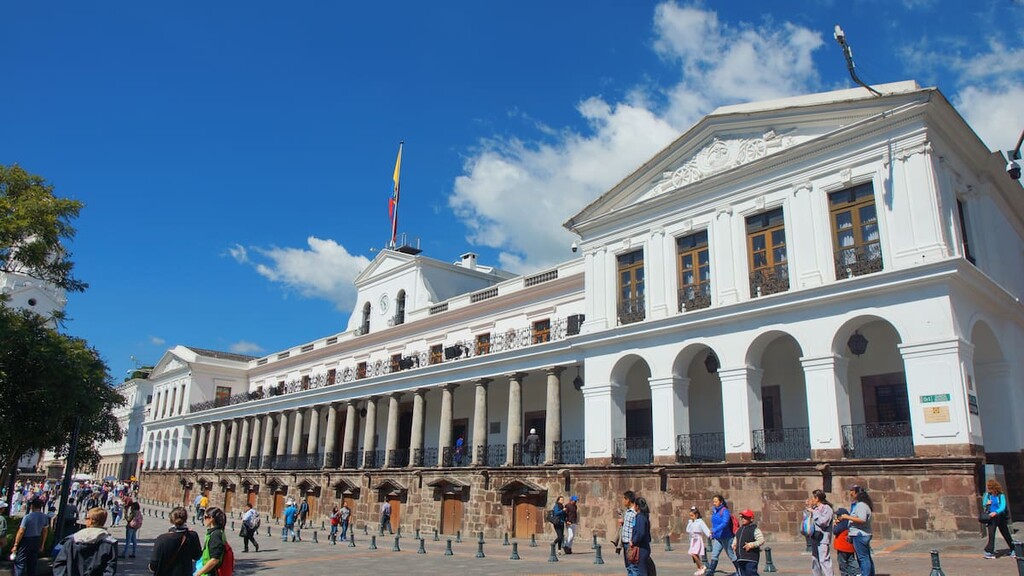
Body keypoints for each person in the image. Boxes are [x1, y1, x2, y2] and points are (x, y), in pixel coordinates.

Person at [52, 507, 118, 576]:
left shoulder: (71, 540)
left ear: (89, 521)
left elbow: (59, 564)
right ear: (104, 521)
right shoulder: (110, 544)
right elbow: (110, 569)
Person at [149, 506, 202, 576]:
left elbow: (153, 565)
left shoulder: (162, 539)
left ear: (171, 519)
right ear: (185, 519)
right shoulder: (193, 536)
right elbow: (197, 556)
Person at [838, 485, 874, 576]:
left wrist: (847, 517)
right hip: (860, 534)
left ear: (857, 493)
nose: (850, 494)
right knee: (865, 557)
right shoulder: (861, 505)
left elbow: (862, 519)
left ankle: (866, 574)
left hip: (860, 534)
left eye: (852, 491)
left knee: (863, 558)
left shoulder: (861, 505)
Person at [11, 498, 49, 576]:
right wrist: (42, 544)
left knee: (20, 563)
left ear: (32, 506)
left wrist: (15, 544)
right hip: (37, 539)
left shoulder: (28, 517)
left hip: (26, 540)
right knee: (32, 563)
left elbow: (21, 531)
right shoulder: (44, 517)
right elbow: (45, 531)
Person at [981, 478, 1015, 559]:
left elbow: (1002, 506)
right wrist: (986, 503)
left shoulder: (1001, 495)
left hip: (1000, 517)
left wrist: (996, 512)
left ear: (994, 488)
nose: (989, 489)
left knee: (1005, 533)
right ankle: (989, 551)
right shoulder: (987, 495)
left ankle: (1013, 548)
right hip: (991, 518)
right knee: (991, 534)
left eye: (990, 488)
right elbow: (983, 504)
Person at [706, 495, 737, 575]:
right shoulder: (715, 511)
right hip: (718, 537)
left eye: (716, 501)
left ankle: (740, 570)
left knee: (731, 555)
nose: (714, 503)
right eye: (713, 501)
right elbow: (714, 523)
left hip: (726, 537)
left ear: (721, 502)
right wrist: (714, 533)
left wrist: (715, 530)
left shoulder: (725, 511)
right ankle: (711, 571)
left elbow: (725, 523)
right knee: (714, 554)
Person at [807, 489, 834, 576]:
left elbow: (823, 522)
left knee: (824, 560)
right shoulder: (815, 508)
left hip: (823, 538)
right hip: (814, 537)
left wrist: (814, 512)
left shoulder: (827, 508)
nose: (812, 499)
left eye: (813, 498)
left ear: (817, 498)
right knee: (815, 559)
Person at [195, 506, 229, 576]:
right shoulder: (217, 532)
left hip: (210, 573)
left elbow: (214, 560)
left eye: (205, 517)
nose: (203, 519)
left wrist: (199, 573)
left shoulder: (215, 535)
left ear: (211, 519)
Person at [732, 509, 765, 576]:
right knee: (742, 573)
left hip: (751, 558)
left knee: (751, 573)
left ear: (751, 519)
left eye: (746, 517)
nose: (743, 519)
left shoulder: (754, 529)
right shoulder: (739, 530)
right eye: (742, 517)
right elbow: (736, 538)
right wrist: (734, 544)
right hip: (740, 557)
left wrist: (751, 545)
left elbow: (761, 540)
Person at [630, 496, 653, 576]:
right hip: (644, 547)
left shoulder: (640, 517)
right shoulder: (644, 516)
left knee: (642, 571)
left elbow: (640, 533)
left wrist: (633, 541)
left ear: (637, 506)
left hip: (641, 548)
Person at [832, 507, 857, 576]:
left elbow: (835, 531)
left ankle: (845, 574)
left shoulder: (841, 524)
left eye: (838, 516)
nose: (837, 517)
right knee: (851, 560)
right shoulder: (850, 522)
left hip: (842, 547)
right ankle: (855, 572)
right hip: (850, 547)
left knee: (843, 563)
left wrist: (834, 525)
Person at [686, 506, 711, 575]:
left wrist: (709, 535)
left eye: (692, 515)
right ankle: (699, 568)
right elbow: (688, 530)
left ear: (696, 515)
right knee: (694, 554)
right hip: (693, 539)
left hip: (697, 539)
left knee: (693, 553)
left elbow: (705, 528)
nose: (691, 517)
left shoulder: (700, 522)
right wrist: (690, 523)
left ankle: (702, 566)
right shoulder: (691, 522)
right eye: (690, 516)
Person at [618, 491, 637, 574]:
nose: (623, 501)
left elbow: (636, 527)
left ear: (628, 500)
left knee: (633, 566)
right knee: (628, 566)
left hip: (630, 543)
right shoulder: (627, 511)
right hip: (625, 542)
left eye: (624, 499)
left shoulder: (634, 513)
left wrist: (633, 541)